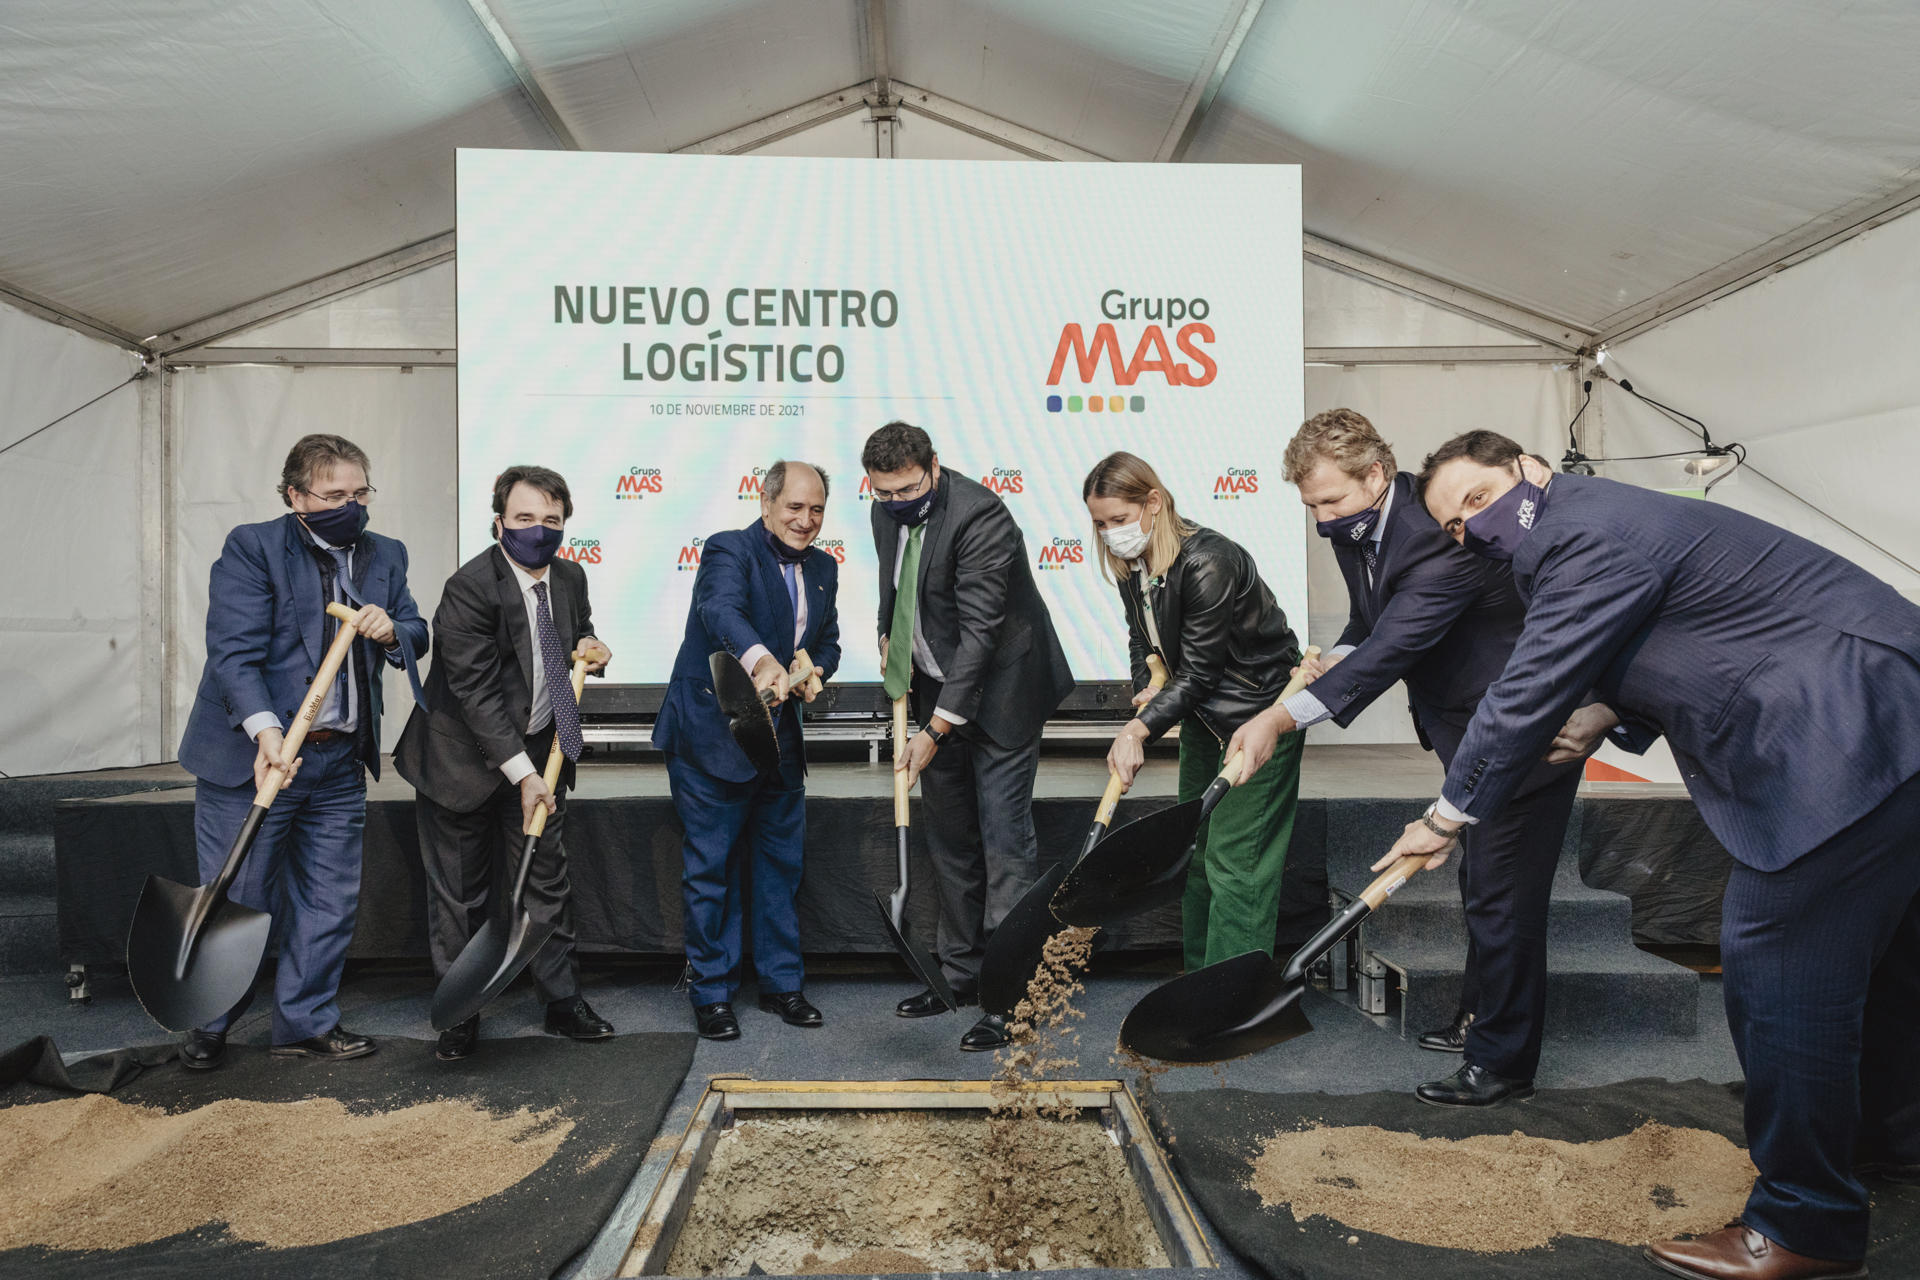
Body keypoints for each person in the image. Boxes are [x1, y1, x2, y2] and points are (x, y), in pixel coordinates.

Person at [1243, 428, 1916, 1279]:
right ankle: (1891, 1139)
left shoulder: (1577, 531)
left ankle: (1804, 1226)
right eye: (1453, 524)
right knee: (1891, 963)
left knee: (1776, 968)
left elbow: (1527, 687)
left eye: (1480, 501)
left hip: (1839, 734)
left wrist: (1446, 817)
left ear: (1530, 467)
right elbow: (1679, 625)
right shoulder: (1594, 525)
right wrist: (1609, 711)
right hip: (1894, 708)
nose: (1470, 530)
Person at [1240, 409, 1589, 1106]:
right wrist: (1330, 660)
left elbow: (1395, 647)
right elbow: (1369, 623)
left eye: (1331, 500)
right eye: (1310, 505)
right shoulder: (1361, 524)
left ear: (1376, 474)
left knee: (1504, 896)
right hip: (1461, 726)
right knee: (1480, 886)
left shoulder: (1437, 532)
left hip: (1521, 731)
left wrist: (1279, 718)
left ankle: (1501, 1063)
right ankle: (1478, 1018)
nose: (1322, 518)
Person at [175, 434, 428, 1070]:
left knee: (329, 898)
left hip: (338, 759)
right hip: (256, 760)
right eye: (334, 494)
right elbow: (233, 654)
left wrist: (392, 630)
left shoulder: (385, 554)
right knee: (241, 895)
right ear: (296, 497)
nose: (351, 504)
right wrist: (266, 735)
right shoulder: (253, 547)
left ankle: (304, 1022)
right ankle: (208, 1022)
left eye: (359, 492)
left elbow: (416, 631)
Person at [864, 421, 1075, 1051]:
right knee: (951, 839)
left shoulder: (983, 517)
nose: (898, 503)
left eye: (907, 490)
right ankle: (957, 974)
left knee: (1006, 843)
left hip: (1003, 694)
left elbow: (982, 633)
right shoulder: (884, 511)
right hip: (935, 687)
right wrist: (890, 645)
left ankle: (1012, 995)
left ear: (934, 465)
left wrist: (936, 728)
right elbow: (899, 591)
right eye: (884, 494)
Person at [393, 465, 614, 1061]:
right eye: (524, 519)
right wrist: (522, 775)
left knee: (546, 882)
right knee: (460, 895)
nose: (538, 531)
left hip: (542, 753)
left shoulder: (570, 577)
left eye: (551, 520)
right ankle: (460, 1012)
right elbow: (476, 694)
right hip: (459, 763)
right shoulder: (469, 587)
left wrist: (592, 647)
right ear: (499, 523)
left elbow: (573, 638)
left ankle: (562, 1002)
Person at [1085, 452, 1304, 974]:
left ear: (1153, 502)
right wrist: (1146, 690)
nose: (1111, 533)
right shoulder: (1132, 567)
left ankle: (1228, 997)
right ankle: (1197, 980)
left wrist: (1140, 729)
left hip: (1258, 716)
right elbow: (1145, 643)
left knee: (1237, 863)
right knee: (1199, 854)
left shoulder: (1208, 561)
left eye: (1119, 520)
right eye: (1100, 524)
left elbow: (1201, 672)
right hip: (1205, 719)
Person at [652, 460, 841, 1041]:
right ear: (766, 503)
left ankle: (783, 985)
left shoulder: (824, 568)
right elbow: (720, 612)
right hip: (713, 734)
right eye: (794, 508)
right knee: (711, 869)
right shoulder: (728, 550)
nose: (805, 521)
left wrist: (817, 669)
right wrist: (763, 660)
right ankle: (712, 993)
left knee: (781, 867)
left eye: (816, 510)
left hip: (780, 739)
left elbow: (827, 640)